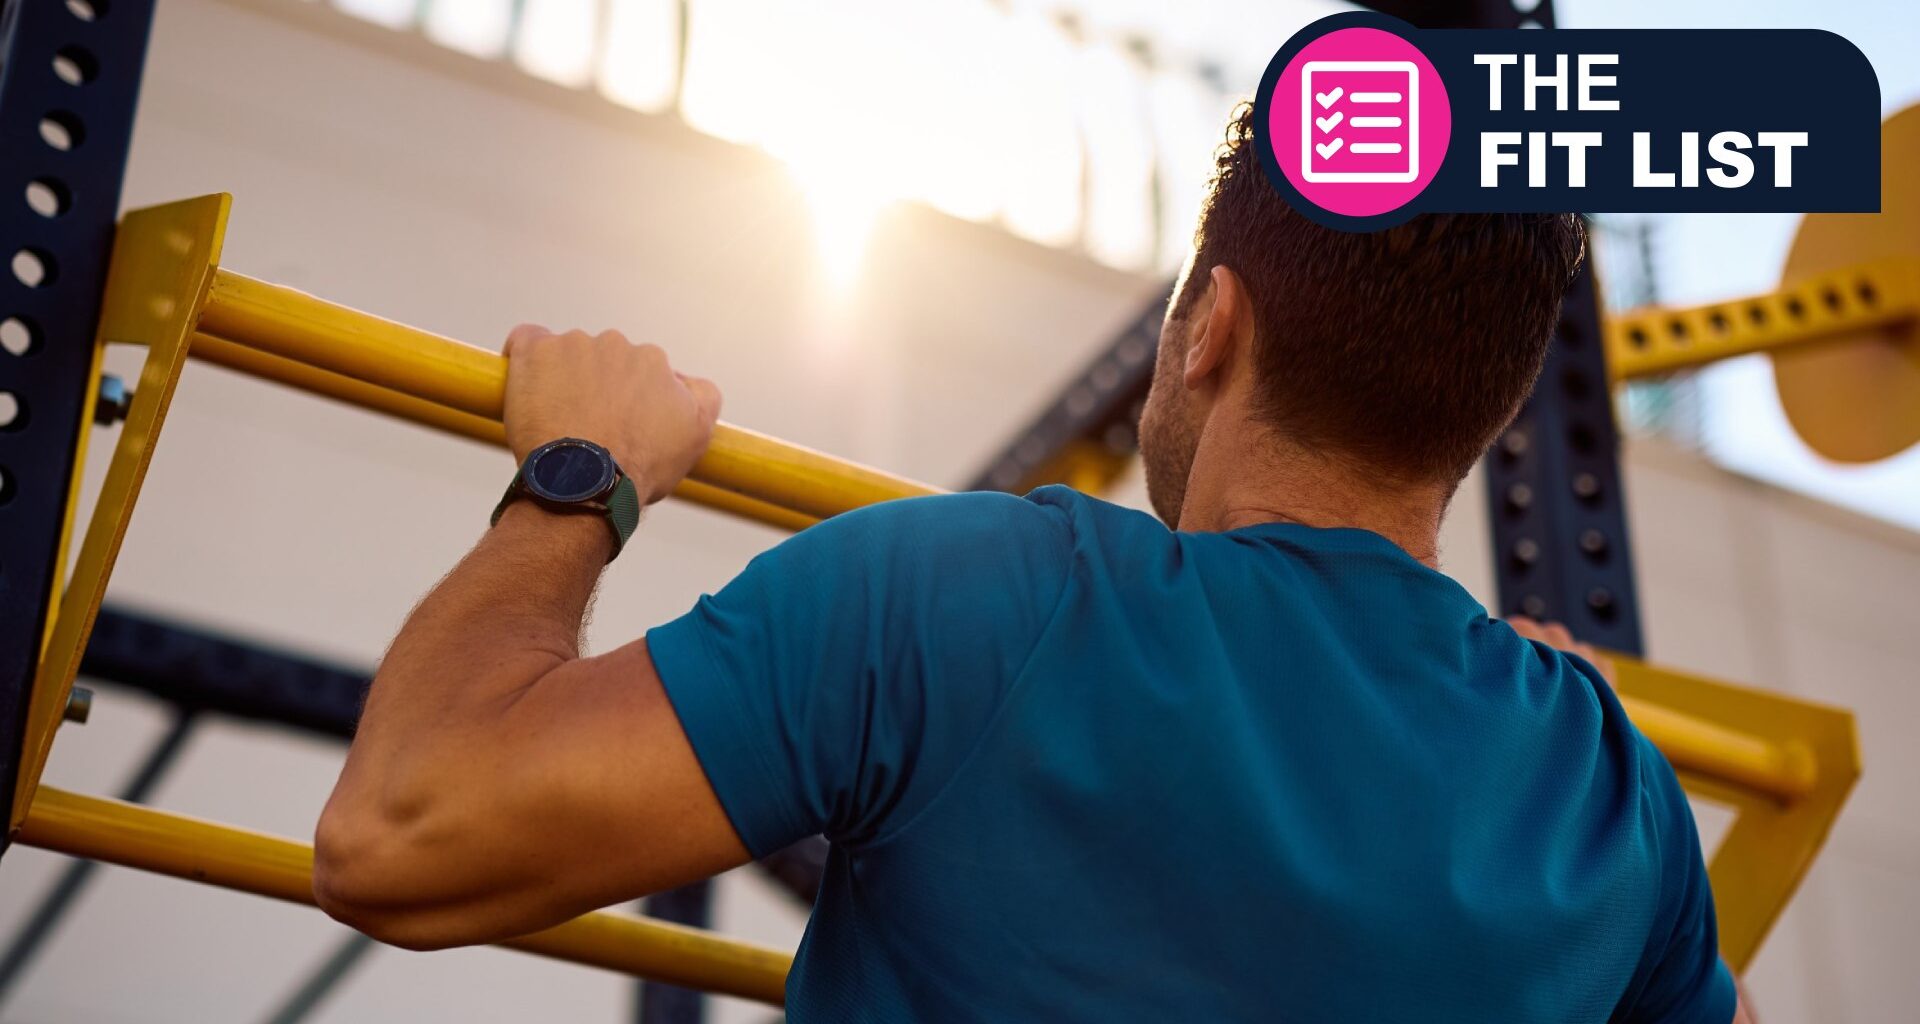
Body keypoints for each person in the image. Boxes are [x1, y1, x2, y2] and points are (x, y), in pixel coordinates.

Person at [313, 104, 1750, 1023]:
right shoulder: (1604, 790)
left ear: (1209, 328)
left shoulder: (983, 597)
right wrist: (1583, 744)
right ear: (1491, 416)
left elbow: (403, 837)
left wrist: (583, 477)